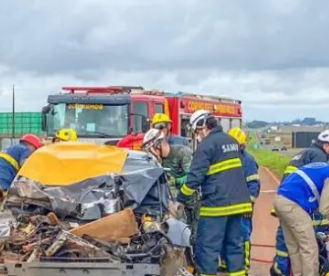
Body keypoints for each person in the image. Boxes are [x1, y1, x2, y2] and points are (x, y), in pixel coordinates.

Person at [176, 110, 252, 276]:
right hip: (239, 204)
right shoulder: (231, 141)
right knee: (234, 246)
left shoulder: (206, 146)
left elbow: (194, 178)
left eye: (197, 131)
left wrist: (180, 198)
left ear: (203, 126)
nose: (197, 135)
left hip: (217, 205)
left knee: (208, 247)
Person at [270, 129, 329, 276]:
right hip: (293, 205)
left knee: (295, 246)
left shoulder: (317, 162)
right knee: (310, 247)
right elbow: (324, 209)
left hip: (281, 200)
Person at [225, 127, 260, 273]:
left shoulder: (248, 161)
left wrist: (249, 205)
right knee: (227, 233)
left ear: (242, 146)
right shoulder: (226, 158)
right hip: (227, 204)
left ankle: (244, 265)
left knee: (243, 235)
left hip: (243, 206)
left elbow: (254, 185)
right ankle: (226, 262)